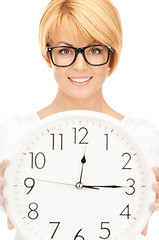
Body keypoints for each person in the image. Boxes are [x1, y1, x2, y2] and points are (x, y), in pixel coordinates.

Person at [0, 0, 159, 239]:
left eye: (94, 50)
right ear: (48, 55)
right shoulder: (15, 135)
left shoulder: (141, 138)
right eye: (65, 51)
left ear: (111, 56)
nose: (80, 65)